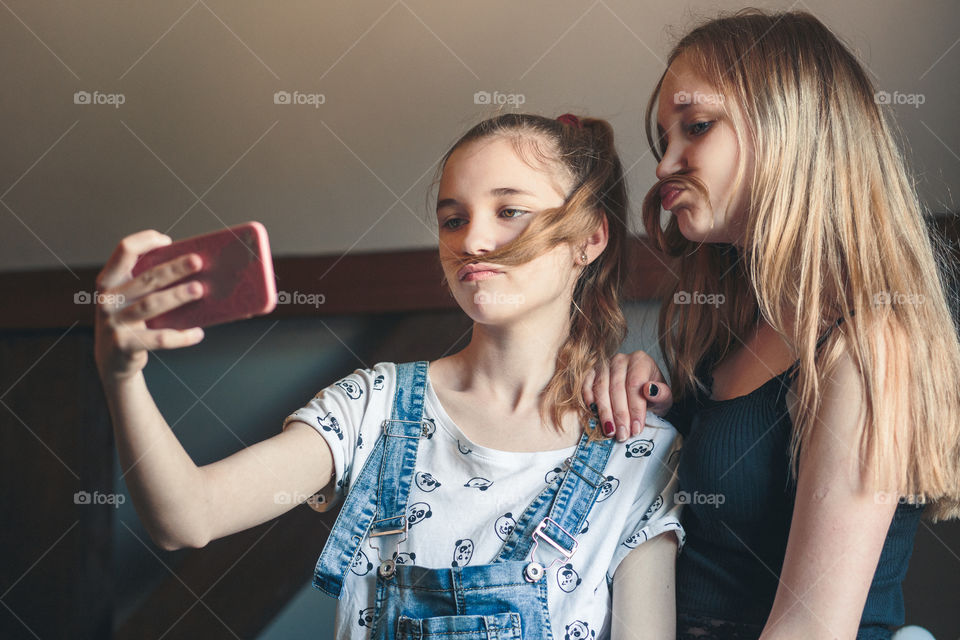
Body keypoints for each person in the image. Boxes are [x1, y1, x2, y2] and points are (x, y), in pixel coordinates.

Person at [93, 113, 685, 639]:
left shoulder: (638, 451)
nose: (473, 241)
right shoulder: (374, 407)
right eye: (453, 219)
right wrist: (121, 374)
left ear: (590, 238)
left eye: (509, 211)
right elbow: (186, 518)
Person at [584, 9, 960, 640]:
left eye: (696, 127)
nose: (664, 164)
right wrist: (644, 392)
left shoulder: (870, 346)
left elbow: (812, 630)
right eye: (664, 138)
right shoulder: (723, 336)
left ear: (790, 129)